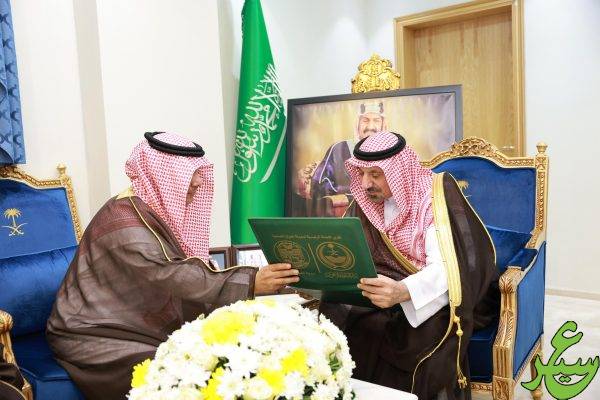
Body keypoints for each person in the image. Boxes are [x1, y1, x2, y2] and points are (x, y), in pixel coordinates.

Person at [47, 132, 299, 400]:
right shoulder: (125, 220)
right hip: (92, 332)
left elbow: (180, 266)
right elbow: (169, 273)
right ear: (164, 174)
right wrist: (250, 281)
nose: (199, 181)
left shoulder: (146, 209)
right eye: (191, 173)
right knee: (180, 372)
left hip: (129, 324)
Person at [320, 131, 499, 400]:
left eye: (375, 174)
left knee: (414, 338)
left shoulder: (434, 199)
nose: (366, 184)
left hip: (436, 294)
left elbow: (448, 267)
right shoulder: (367, 202)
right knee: (337, 313)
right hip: (385, 288)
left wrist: (403, 292)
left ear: (398, 171)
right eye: (362, 173)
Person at [309, 101, 387, 216]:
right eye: (365, 120)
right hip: (347, 218)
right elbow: (318, 186)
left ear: (383, 125)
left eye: (376, 120)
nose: (370, 126)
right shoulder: (339, 149)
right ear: (357, 124)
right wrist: (352, 195)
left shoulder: (392, 153)